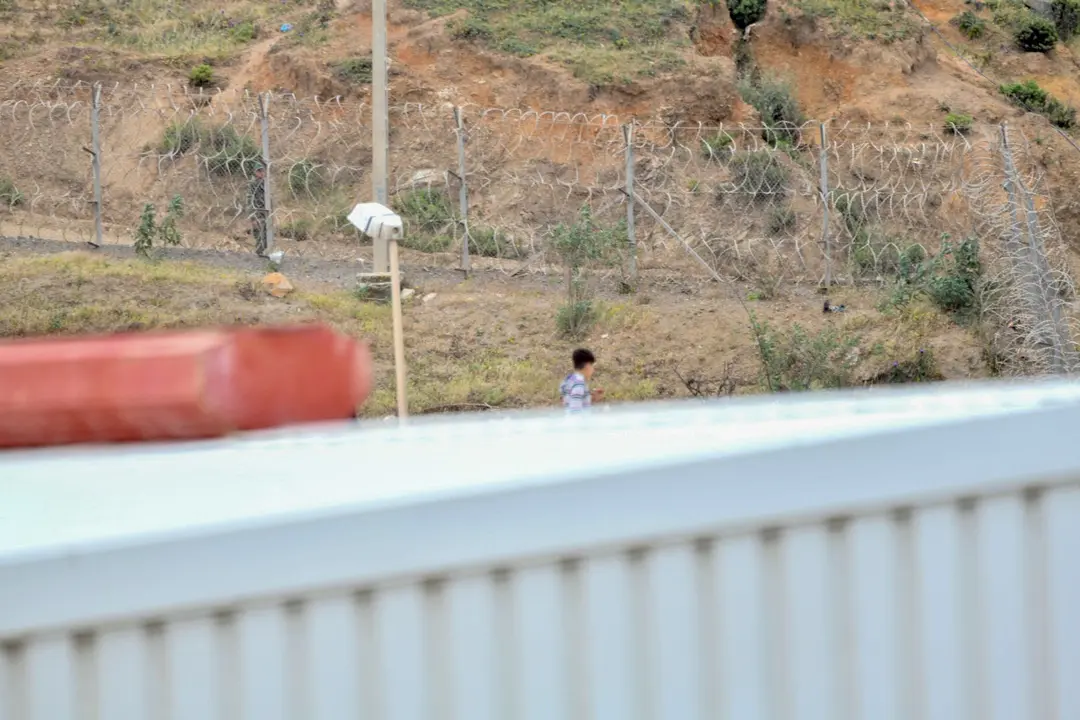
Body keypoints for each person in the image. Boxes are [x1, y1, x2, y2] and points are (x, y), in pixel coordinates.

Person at [559, 348, 603, 413]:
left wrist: (591, 398)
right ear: (587, 366)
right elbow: (575, 409)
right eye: (592, 366)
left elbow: (573, 400)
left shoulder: (569, 379)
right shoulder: (579, 384)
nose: (593, 370)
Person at [248, 164, 269, 257]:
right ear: (255, 172)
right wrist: (252, 217)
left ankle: (262, 251)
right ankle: (260, 252)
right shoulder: (253, 184)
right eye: (259, 171)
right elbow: (250, 200)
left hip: (265, 211)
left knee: (265, 233)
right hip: (257, 211)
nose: (261, 173)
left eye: (262, 171)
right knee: (260, 233)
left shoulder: (265, 183)